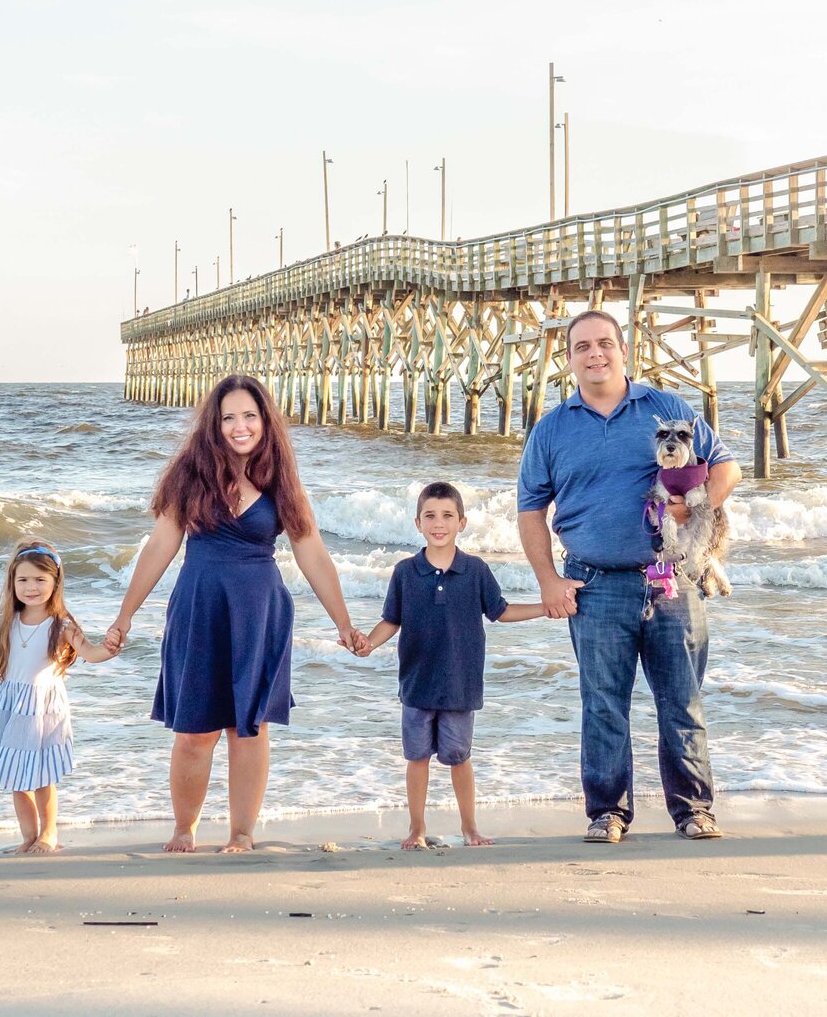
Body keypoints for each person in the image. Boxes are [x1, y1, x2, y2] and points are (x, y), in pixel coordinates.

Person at [107, 374, 365, 853]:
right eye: (229, 417)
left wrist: (344, 623)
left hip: (259, 611)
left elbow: (312, 552)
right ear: (215, 422)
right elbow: (161, 545)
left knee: (249, 727)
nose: (239, 426)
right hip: (199, 608)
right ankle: (184, 828)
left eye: (249, 416)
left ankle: (242, 833)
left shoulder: (280, 474)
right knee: (194, 731)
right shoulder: (191, 472)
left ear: (265, 420)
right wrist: (125, 616)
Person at [516, 310, 741, 844]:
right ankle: (608, 813)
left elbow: (727, 465)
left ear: (623, 350)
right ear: (568, 359)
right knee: (602, 707)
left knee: (682, 702)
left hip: (673, 580)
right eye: (582, 347)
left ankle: (694, 811)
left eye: (604, 344)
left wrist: (697, 506)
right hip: (594, 586)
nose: (595, 354)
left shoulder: (667, 408)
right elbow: (530, 512)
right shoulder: (551, 430)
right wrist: (549, 581)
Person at [356, 481, 544, 849]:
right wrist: (367, 644)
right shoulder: (405, 572)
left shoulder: (474, 570)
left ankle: (470, 827)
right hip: (416, 683)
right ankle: (416, 828)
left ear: (462, 522)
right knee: (417, 758)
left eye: (446, 516)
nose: (438, 523)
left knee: (460, 759)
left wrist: (545, 608)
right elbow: (391, 621)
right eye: (430, 516)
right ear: (417, 523)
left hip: (460, 684)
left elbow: (500, 612)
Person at [0, 538, 120, 855]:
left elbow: (90, 653)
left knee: (42, 776)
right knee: (15, 775)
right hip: (11, 706)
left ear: (55, 582)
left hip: (42, 708)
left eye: (40, 579)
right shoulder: (6, 622)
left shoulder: (61, 625)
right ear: (12, 582)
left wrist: (108, 649)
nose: (31, 587)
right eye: (23, 579)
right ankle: (28, 837)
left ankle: (48, 835)